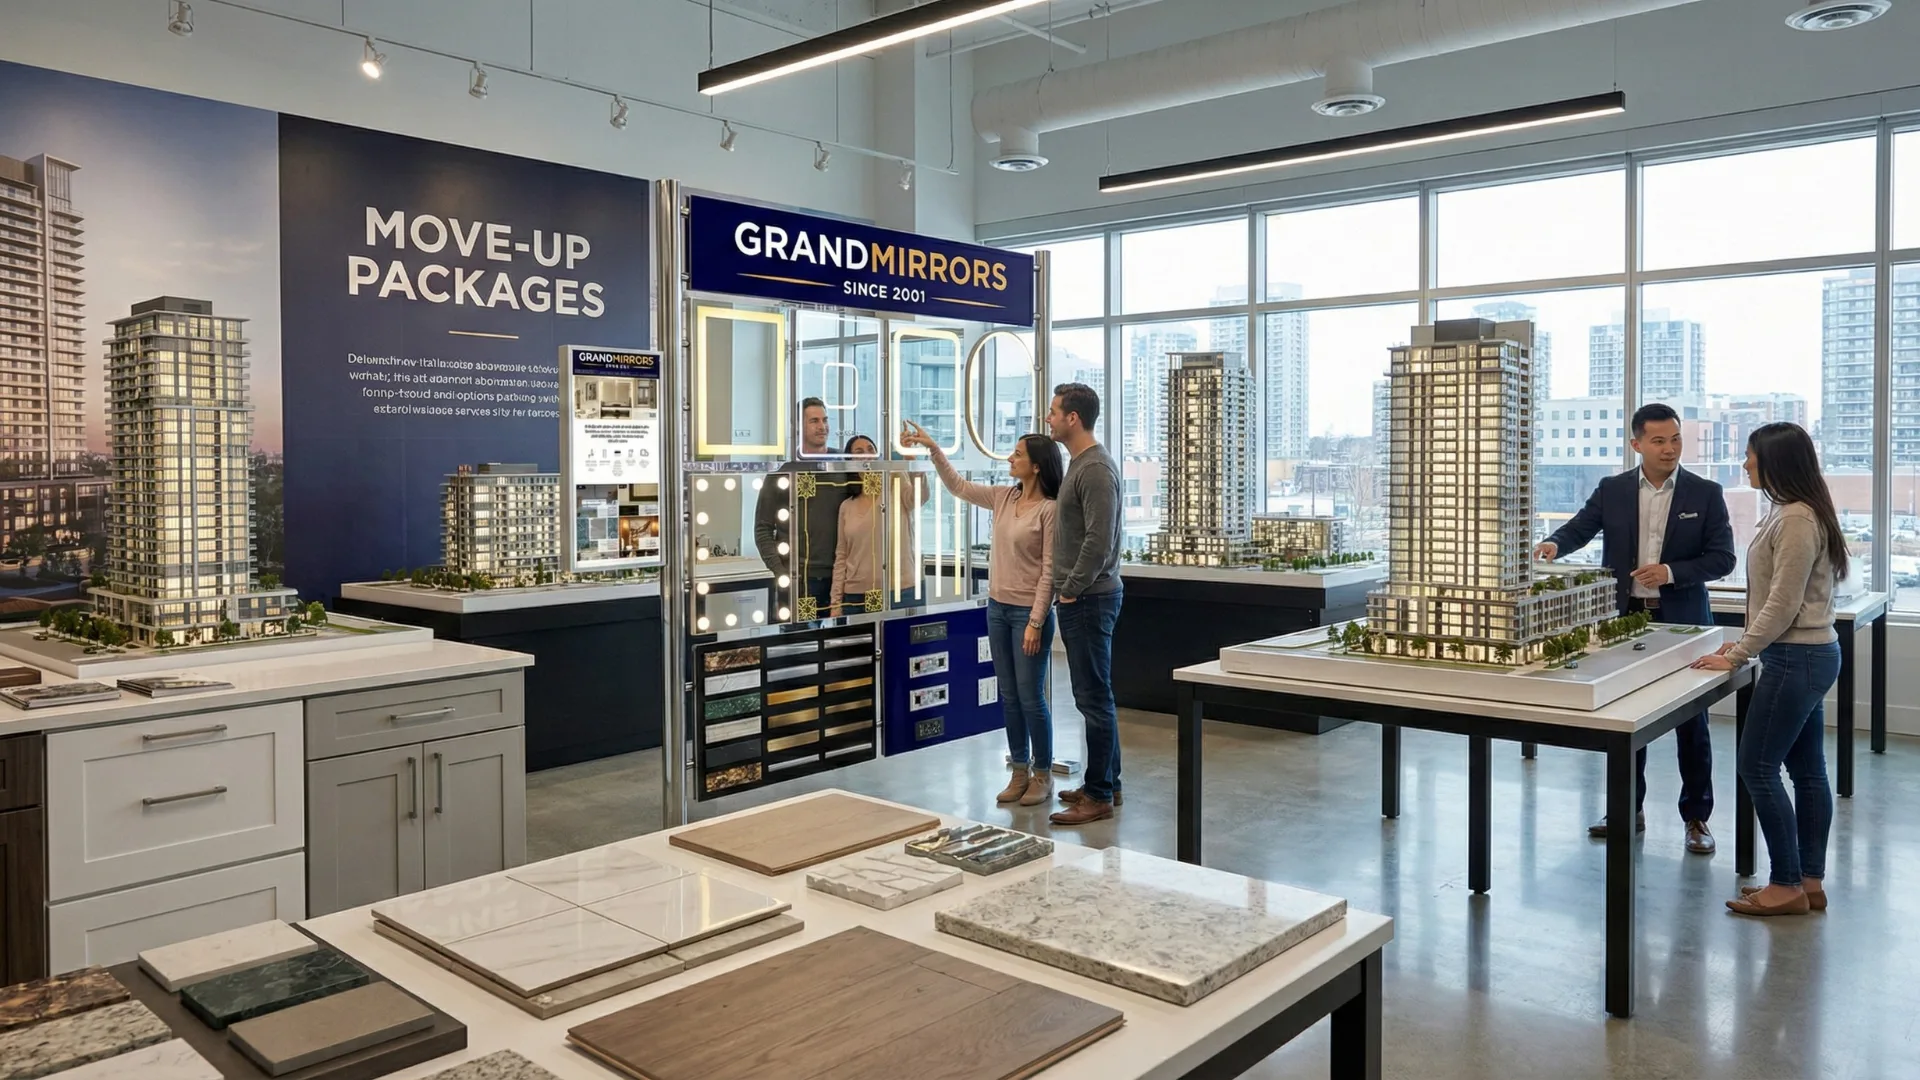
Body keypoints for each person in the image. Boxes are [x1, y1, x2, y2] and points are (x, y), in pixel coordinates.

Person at [1536, 402, 1735, 853]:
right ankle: (1627, 808)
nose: (1670, 449)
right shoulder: (1613, 489)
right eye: (1659, 441)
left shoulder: (1705, 493)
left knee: (1692, 722)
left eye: (1676, 439)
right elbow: (1580, 529)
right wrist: (1553, 543)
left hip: (1683, 621)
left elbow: (1723, 559)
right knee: (1622, 717)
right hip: (1625, 620)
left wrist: (1670, 572)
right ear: (1637, 444)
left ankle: (1697, 818)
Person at [1692, 423, 1846, 917]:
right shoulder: (1793, 511)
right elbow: (1780, 603)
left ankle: (1785, 884)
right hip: (1805, 653)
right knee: (1806, 771)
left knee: (1756, 767)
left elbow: (1783, 603)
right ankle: (1808, 880)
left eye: (1751, 457)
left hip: (1795, 657)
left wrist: (1737, 655)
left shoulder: (1797, 519)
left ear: (1775, 462)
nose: (1744, 465)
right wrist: (1749, 640)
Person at [903, 420, 1061, 807]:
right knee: (1008, 696)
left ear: (1037, 465)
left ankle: (1043, 773)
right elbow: (957, 485)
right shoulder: (1004, 497)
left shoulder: (1050, 510)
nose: (1011, 457)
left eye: (1018, 454)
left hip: (1029, 614)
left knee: (1030, 696)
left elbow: (1050, 572)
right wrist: (933, 448)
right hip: (997, 608)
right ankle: (1019, 770)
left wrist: (1037, 621)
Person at [1044, 382, 1123, 826]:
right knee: (1097, 696)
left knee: (1093, 699)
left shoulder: (1093, 469)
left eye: (1054, 412)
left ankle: (1099, 795)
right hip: (1085, 597)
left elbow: (1099, 539)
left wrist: (1071, 586)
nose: (1049, 418)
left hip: (1089, 599)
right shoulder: (1082, 464)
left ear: (1073, 418)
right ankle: (1107, 782)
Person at [754, 397, 846, 617]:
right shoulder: (783, 471)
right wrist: (781, 573)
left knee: (843, 646)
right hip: (800, 580)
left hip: (843, 577)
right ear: (798, 427)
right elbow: (762, 529)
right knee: (801, 646)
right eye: (814, 420)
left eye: (824, 420)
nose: (822, 426)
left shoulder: (843, 465)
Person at [826, 434, 928, 613]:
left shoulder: (896, 482)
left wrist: (911, 460)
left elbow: (921, 497)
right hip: (857, 596)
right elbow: (841, 557)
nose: (867, 454)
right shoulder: (847, 506)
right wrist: (835, 602)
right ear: (850, 462)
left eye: (871, 449)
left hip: (901, 591)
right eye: (859, 452)